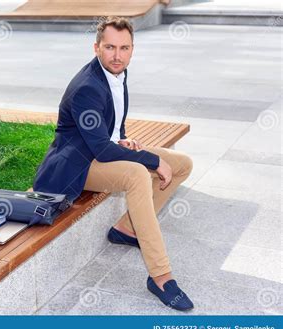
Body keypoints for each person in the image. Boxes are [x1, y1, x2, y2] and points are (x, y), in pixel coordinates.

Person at [33, 16, 194, 311]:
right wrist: (152, 159)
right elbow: (100, 150)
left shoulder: (118, 73)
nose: (117, 55)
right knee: (137, 173)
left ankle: (127, 228)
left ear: (132, 49)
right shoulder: (87, 87)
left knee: (182, 163)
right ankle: (160, 276)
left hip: (101, 150)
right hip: (75, 166)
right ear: (96, 48)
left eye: (124, 48)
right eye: (110, 47)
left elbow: (110, 128)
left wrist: (123, 138)